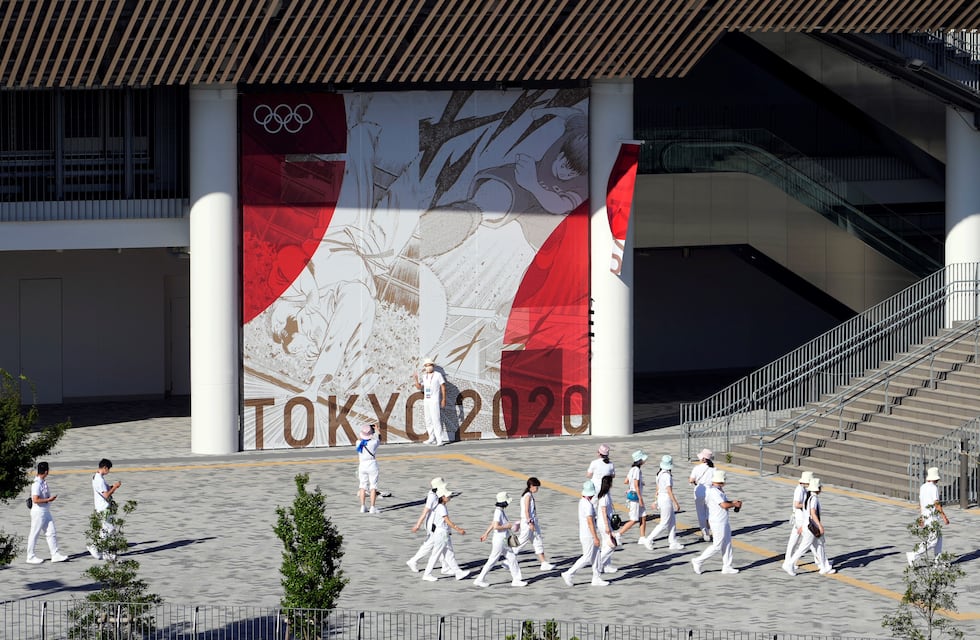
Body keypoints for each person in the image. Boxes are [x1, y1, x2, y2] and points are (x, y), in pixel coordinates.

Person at [691, 470, 742, 575]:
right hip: (718, 521)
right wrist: (734, 505)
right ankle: (698, 561)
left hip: (723, 520)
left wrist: (733, 502)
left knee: (727, 543)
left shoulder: (718, 490)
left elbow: (724, 503)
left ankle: (727, 566)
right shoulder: (713, 491)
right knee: (717, 545)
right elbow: (723, 505)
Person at [473, 491, 527, 587]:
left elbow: (493, 524)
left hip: (503, 539)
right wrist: (508, 526)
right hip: (500, 540)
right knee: (493, 560)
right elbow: (496, 527)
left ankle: (516, 579)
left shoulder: (499, 511)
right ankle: (479, 579)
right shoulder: (498, 512)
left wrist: (486, 533)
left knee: (512, 558)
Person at [560, 480, 608, 587]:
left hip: (586, 533)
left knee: (596, 556)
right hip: (589, 535)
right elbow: (590, 522)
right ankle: (569, 573)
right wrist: (595, 537)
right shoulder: (588, 505)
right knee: (587, 557)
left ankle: (596, 578)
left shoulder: (582, 501)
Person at [783, 477, 835, 575]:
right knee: (804, 548)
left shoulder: (808, 496)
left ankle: (824, 566)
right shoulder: (814, 498)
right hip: (812, 528)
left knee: (819, 546)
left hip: (807, 526)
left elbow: (806, 513)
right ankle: (789, 564)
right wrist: (820, 526)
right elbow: (813, 513)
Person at [422, 486, 470, 582]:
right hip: (441, 534)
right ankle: (427, 574)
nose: (449, 497)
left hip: (442, 534)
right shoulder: (441, 507)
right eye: (447, 496)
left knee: (449, 554)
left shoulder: (439, 506)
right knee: (436, 555)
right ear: (442, 497)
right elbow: (447, 521)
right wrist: (458, 529)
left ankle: (458, 573)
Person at [26, 461, 68, 564]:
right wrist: (48, 500)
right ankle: (30, 556)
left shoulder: (43, 482)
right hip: (38, 512)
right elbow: (35, 499)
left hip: (45, 511)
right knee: (34, 533)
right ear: (46, 471)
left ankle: (55, 554)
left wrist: (48, 501)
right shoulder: (36, 484)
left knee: (51, 532)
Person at [907, 467, 950, 566]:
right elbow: (936, 503)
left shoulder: (923, 487)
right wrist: (944, 516)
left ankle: (937, 560)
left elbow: (921, 503)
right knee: (933, 541)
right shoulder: (933, 488)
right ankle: (913, 555)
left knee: (939, 538)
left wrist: (922, 517)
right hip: (932, 518)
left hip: (926, 516)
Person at [641, 455, 684, 551]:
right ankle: (649, 539)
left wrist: (656, 500)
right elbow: (669, 491)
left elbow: (657, 489)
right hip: (666, 499)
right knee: (664, 523)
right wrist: (676, 503)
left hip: (661, 497)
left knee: (672, 521)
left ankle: (673, 541)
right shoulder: (667, 475)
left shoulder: (659, 474)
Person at [407, 477, 449, 573]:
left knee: (437, 543)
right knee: (433, 544)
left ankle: (445, 565)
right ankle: (413, 561)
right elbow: (425, 511)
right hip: (433, 523)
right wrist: (418, 524)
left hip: (436, 521)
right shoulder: (432, 496)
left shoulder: (437, 493)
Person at [515, 477, 555, 571]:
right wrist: (530, 523)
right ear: (531, 486)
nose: (537, 489)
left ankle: (543, 563)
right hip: (528, 523)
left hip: (532, 522)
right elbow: (526, 511)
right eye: (536, 487)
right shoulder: (527, 496)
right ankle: (508, 559)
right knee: (521, 542)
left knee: (538, 541)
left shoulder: (528, 495)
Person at [89, 458, 122, 560]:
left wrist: (113, 486)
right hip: (103, 508)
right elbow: (106, 495)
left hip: (101, 507)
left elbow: (106, 490)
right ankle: (98, 548)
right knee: (110, 529)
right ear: (105, 468)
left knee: (105, 530)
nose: (109, 471)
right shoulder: (99, 480)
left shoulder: (97, 477)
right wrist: (115, 487)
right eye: (109, 469)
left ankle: (101, 550)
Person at [782, 470, 813, 573]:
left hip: (799, 517)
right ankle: (821, 562)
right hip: (800, 518)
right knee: (809, 540)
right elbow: (796, 504)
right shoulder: (799, 490)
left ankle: (788, 561)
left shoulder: (803, 489)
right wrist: (807, 505)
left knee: (793, 540)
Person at [413, 357, 448, 445]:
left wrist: (443, 399)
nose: (428, 367)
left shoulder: (438, 375)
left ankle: (439, 439)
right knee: (428, 419)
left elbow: (443, 387)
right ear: (425, 367)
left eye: (430, 365)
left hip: (435, 400)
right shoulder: (424, 376)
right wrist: (416, 379)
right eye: (426, 366)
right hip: (427, 400)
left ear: (433, 366)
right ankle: (431, 437)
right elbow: (419, 387)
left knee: (436, 419)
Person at [617, 450, 648, 544]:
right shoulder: (637, 470)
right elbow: (636, 485)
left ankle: (642, 537)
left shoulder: (632, 469)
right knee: (634, 519)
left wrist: (639, 482)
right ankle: (618, 534)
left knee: (643, 516)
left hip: (634, 495)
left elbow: (626, 481)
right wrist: (640, 498)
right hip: (636, 497)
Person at [688, 448, 715, 542]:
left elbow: (691, 480)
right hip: (711, 491)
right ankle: (710, 528)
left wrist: (695, 482)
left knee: (701, 513)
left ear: (703, 459)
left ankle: (705, 532)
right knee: (709, 512)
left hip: (699, 490)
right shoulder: (713, 469)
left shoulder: (697, 468)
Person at [595, 475, 618, 574]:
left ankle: (606, 565)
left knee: (606, 543)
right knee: (612, 545)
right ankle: (598, 564)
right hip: (604, 522)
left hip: (605, 521)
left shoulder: (606, 494)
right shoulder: (604, 497)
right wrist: (607, 526)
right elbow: (603, 512)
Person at [356, 424, 381, 514]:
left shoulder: (358, 443)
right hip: (372, 464)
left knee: (362, 486)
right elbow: (379, 438)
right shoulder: (374, 443)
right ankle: (372, 507)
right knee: (373, 486)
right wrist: (377, 430)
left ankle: (363, 506)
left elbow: (359, 438)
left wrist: (365, 431)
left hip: (362, 465)